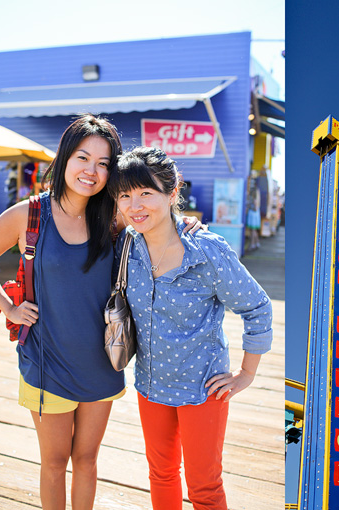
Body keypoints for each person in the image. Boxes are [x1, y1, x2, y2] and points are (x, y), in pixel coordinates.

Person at [0, 115, 202, 510]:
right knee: (55, 463)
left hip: (101, 363)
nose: (92, 171)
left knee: (88, 461)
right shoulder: (29, 215)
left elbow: (158, 219)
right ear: (64, 159)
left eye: (104, 163)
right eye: (83, 158)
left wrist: (185, 224)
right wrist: (9, 306)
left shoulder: (114, 217)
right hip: (46, 362)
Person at [109, 146, 272, 510]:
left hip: (203, 388)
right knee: (161, 474)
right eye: (125, 195)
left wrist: (246, 374)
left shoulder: (207, 251)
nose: (135, 206)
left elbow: (258, 307)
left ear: (172, 193)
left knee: (204, 487)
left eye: (146, 194)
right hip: (151, 384)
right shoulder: (125, 246)